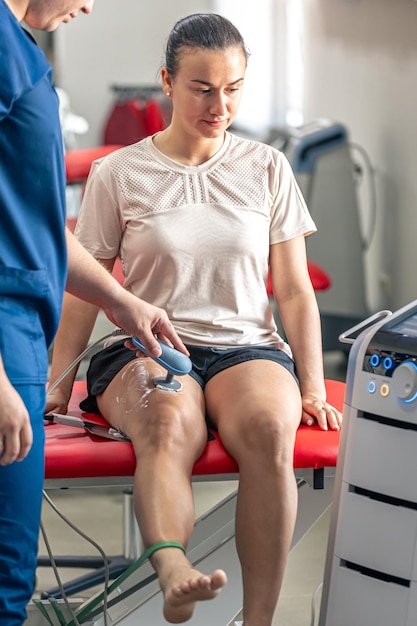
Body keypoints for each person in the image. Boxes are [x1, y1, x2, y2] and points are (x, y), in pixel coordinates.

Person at [47, 13, 343, 626]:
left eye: (232, 88)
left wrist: (311, 383)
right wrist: (54, 382)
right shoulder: (119, 173)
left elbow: (292, 292)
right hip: (148, 349)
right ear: (168, 82)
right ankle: (174, 567)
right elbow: (82, 289)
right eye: (203, 88)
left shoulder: (266, 168)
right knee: (166, 425)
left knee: (268, 431)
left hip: (247, 348)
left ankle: (258, 620)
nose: (219, 104)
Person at [0, 2, 187, 625]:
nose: (88, 5)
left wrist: (123, 302)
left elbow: (40, 224)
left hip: (21, 331)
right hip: (5, 341)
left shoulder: (21, 48)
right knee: (4, 575)